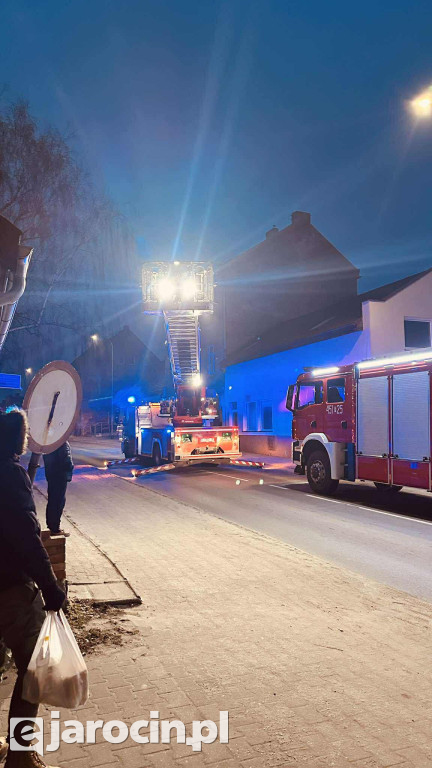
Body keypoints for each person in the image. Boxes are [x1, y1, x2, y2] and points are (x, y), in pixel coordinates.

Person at [0, 409, 65, 768]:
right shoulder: (10, 476)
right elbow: (28, 537)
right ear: (18, 438)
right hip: (10, 591)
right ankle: (21, 755)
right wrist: (51, 588)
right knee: (32, 670)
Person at [43, 442, 74, 536]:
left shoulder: (49, 443)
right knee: (58, 501)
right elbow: (66, 460)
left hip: (51, 475)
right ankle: (55, 529)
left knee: (52, 500)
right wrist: (70, 468)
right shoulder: (62, 444)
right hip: (60, 476)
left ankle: (52, 526)